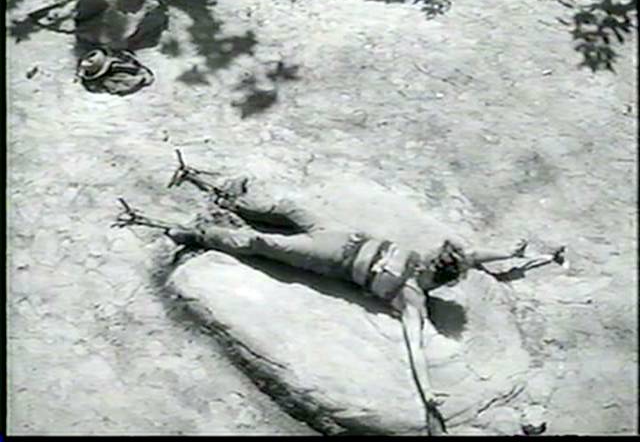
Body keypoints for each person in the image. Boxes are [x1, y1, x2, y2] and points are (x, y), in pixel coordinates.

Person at [115, 151, 566, 436]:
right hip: (337, 232)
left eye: (434, 263)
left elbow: (415, 346)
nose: (428, 257)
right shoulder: (434, 263)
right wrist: (520, 255)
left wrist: (428, 397)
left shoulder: (411, 297)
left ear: (437, 276)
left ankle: (193, 233)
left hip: (326, 258)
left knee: (263, 244)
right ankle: (222, 194)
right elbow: (472, 256)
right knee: (288, 208)